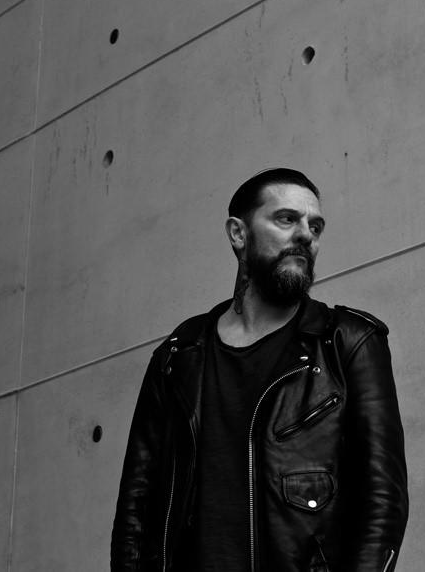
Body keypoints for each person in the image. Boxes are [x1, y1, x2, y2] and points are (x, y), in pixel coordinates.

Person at [111, 168, 409, 571]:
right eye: (286, 219)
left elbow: (383, 502)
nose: (305, 235)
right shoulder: (179, 356)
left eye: (315, 226)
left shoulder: (347, 343)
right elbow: (136, 505)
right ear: (238, 234)